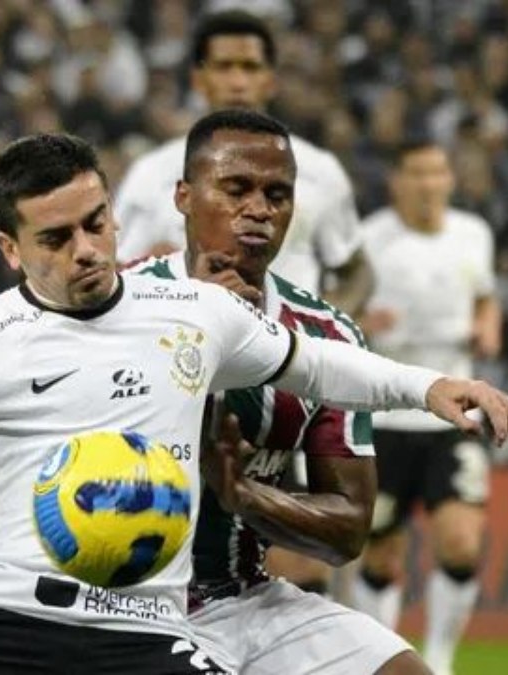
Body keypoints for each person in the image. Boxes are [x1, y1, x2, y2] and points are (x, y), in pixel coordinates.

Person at [0, 131, 508, 675]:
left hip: (143, 629)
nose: (86, 249)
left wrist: (428, 387)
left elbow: (318, 366)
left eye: (96, 222)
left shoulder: (193, 311)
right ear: (10, 248)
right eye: (55, 238)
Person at [128, 109, 428, 674]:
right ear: (184, 197)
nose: (259, 210)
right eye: (236, 189)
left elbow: (349, 527)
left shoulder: (327, 335)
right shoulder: (122, 306)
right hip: (121, 603)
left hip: (239, 598)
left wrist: (245, 496)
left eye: (277, 194)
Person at [114, 8, 373, 595]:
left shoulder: (323, 172)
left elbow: (355, 266)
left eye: (250, 66)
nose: (238, 80)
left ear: (271, 79)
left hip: (289, 370)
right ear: (198, 77)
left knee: (306, 553)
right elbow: (115, 279)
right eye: (224, 66)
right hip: (183, 371)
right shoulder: (150, 174)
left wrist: (324, 327)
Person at [349, 139, 501, 675]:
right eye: (417, 173)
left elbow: (486, 297)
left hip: (456, 416)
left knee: (460, 542)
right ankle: (386, 657)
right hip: (385, 415)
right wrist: (362, 325)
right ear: (398, 181)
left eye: (438, 172)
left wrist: (487, 326)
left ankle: (439, 662)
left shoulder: (473, 234)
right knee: (381, 552)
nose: (429, 183)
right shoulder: (369, 238)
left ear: (449, 180)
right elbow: (339, 310)